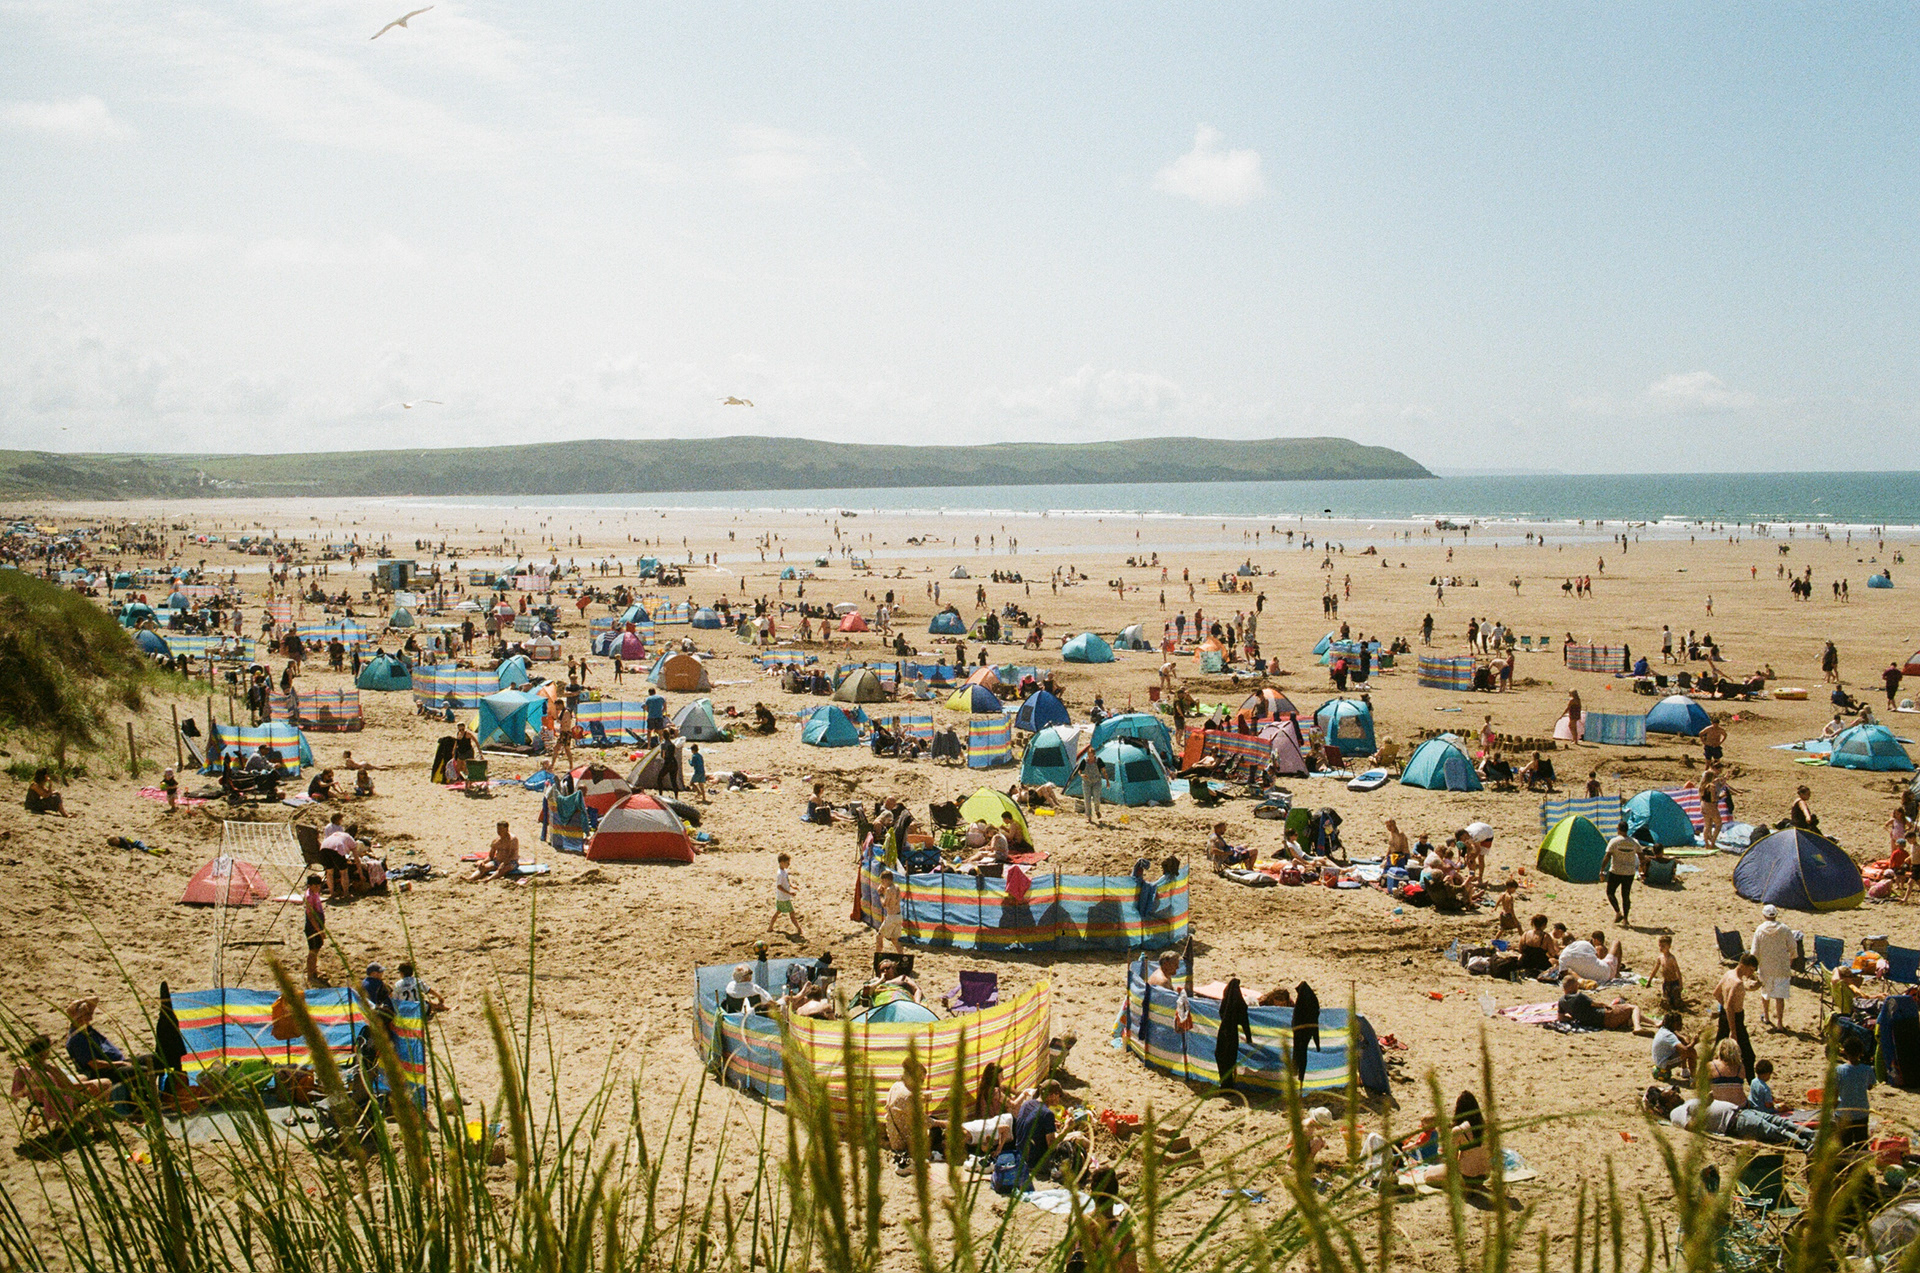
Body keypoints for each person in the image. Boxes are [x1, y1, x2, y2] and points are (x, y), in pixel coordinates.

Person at [1646, 1088, 1815, 1151]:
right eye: (1672, 1095)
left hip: (1740, 1113)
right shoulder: (1676, 1113)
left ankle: (1811, 1135)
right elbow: (1691, 1126)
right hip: (1734, 1122)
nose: (1676, 1094)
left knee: (1779, 1122)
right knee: (1774, 1130)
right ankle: (1805, 1144)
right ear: (1667, 1104)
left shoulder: (1686, 1103)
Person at [1411, 1091, 1490, 1184]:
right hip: (1484, 1174)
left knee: (1428, 1175)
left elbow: (1452, 1159)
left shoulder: (1459, 1130)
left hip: (1465, 1176)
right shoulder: (1486, 1127)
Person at [64, 998, 138, 1082]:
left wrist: (79, 1002)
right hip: (104, 1071)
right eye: (87, 1014)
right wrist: (120, 1064)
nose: (90, 1017)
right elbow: (95, 1064)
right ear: (79, 1018)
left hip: (116, 1063)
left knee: (149, 1060)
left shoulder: (87, 1029)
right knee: (141, 1071)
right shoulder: (77, 1039)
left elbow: (95, 999)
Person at [1715, 954, 1759, 1079]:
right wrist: (1733, 1030)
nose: (1751, 973)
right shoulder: (1738, 983)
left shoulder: (1728, 974)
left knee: (1719, 1049)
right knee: (1748, 1056)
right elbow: (1729, 1006)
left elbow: (1716, 993)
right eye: (1750, 969)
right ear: (1743, 965)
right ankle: (1752, 1083)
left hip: (1724, 1017)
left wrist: (1724, 1007)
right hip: (1735, 1019)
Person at [1750, 903, 1794, 1031]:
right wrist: (1790, 962)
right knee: (1780, 997)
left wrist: (1754, 967)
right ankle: (1780, 1023)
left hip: (1766, 968)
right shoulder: (1785, 929)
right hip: (1781, 967)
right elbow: (1793, 947)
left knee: (1765, 993)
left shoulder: (1760, 930)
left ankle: (1767, 1016)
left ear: (1764, 915)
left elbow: (1754, 951)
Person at [1834, 1035, 1874, 1147]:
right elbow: (1870, 1086)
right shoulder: (1867, 1069)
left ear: (1844, 1052)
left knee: (1844, 1143)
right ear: (1861, 1053)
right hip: (1861, 1111)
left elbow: (1835, 1091)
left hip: (1844, 1112)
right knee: (1861, 1142)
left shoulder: (1839, 1070)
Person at [1557, 975, 1636, 1030]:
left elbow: (1561, 1017)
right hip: (1605, 1016)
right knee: (1633, 1008)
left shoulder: (1561, 1002)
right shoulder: (1579, 997)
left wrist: (1574, 1017)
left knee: (1630, 1016)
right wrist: (1606, 1005)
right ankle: (1637, 1027)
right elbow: (1595, 1004)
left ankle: (1637, 1022)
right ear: (1574, 986)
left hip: (1598, 1024)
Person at [1215, 978, 1252, 1090]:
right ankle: (1228, 1084)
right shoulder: (1240, 1004)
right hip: (1232, 1035)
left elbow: (1222, 1014)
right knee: (1230, 1060)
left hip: (1223, 1033)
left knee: (1222, 1058)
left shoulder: (1225, 1002)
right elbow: (1244, 1021)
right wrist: (1248, 1037)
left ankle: (1225, 1084)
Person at [1603, 822, 1641, 925]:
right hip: (1629, 872)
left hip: (1616, 871)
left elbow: (1607, 856)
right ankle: (1626, 919)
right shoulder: (1634, 842)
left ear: (1618, 829)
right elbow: (1641, 856)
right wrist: (1642, 869)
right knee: (1626, 895)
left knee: (1610, 892)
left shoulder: (1614, 841)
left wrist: (1602, 870)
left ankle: (1618, 912)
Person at [1556, 930, 1624, 982]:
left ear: (1563, 943)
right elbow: (1597, 957)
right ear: (1574, 939)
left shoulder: (1563, 957)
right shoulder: (1584, 943)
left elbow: (1564, 973)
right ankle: (1617, 973)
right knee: (1616, 942)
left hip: (1588, 979)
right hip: (1606, 973)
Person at [1651, 1013, 1696, 1082]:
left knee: (1682, 1043)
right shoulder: (1668, 1035)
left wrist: (1684, 1039)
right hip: (1663, 1063)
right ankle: (1693, 1079)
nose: (1682, 1024)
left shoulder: (1664, 1030)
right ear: (1674, 1023)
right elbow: (1686, 1050)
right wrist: (1694, 1042)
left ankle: (1685, 1071)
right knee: (1690, 1052)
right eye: (1679, 1022)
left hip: (1660, 1059)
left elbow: (1681, 1038)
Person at [770, 852, 803, 938]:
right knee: (791, 913)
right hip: (783, 898)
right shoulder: (780, 874)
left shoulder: (784, 871)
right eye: (787, 863)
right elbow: (779, 886)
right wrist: (789, 893)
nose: (789, 864)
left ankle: (770, 927)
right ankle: (799, 928)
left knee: (778, 912)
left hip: (783, 897)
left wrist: (792, 886)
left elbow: (787, 881)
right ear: (782, 862)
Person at [304, 874, 328, 983]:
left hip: (318, 924)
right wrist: (319, 930)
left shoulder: (315, 893)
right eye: (316, 886)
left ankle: (314, 970)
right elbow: (310, 916)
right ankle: (310, 975)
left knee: (317, 949)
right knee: (312, 951)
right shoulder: (309, 896)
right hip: (313, 927)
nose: (318, 888)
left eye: (319, 886)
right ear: (310, 885)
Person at [875, 872, 903, 954]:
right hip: (899, 916)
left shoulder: (889, 890)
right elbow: (892, 899)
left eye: (882, 881)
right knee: (894, 939)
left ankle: (878, 955)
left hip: (891, 917)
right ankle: (902, 956)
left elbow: (885, 904)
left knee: (879, 936)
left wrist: (880, 895)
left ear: (886, 880)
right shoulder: (896, 887)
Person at [1654, 935, 1683, 1012]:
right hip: (1666, 982)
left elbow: (1678, 971)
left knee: (1676, 1004)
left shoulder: (1672, 958)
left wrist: (1680, 984)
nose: (1661, 948)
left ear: (1669, 946)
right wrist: (1649, 980)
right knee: (1666, 1003)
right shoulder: (1660, 958)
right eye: (1660, 946)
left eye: (1663, 946)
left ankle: (1691, 1001)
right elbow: (1655, 969)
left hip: (1674, 982)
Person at [1079, 745, 1103, 826]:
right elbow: (1080, 771)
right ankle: (1088, 816)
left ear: (1094, 755)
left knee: (1096, 799)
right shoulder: (1084, 761)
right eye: (1089, 755)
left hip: (1096, 782)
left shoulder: (1098, 761)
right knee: (1087, 800)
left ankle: (1097, 810)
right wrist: (1081, 775)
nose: (1090, 757)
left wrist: (1107, 780)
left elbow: (1103, 770)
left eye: (1091, 755)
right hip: (1086, 782)